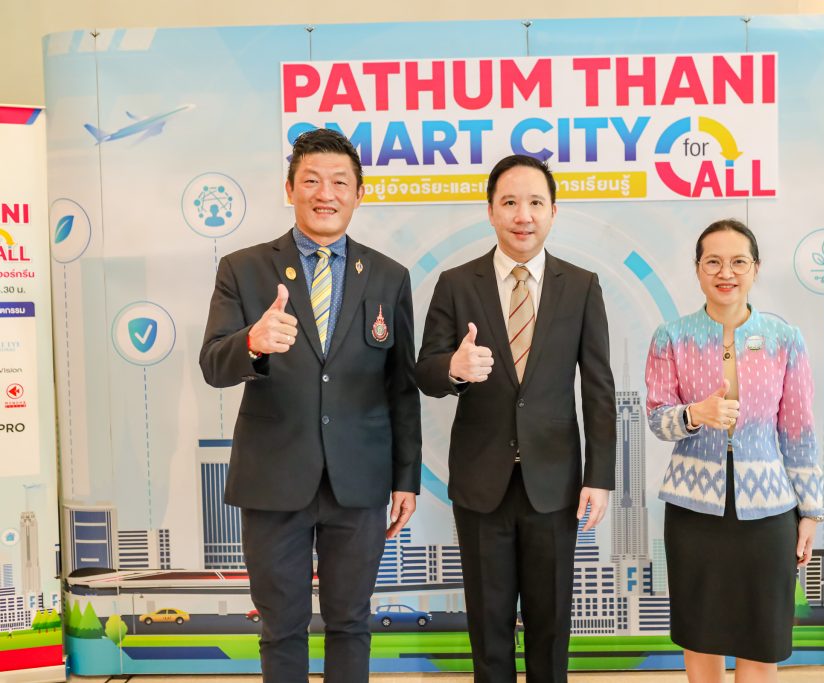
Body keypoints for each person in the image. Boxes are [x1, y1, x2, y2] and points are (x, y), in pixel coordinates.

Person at [199, 128, 421, 682]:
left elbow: (401, 386)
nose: (326, 194)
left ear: (359, 194)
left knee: (351, 622)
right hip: (274, 477)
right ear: (290, 189)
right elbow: (213, 364)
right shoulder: (243, 268)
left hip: (360, 480)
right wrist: (252, 342)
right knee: (281, 627)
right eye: (312, 181)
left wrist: (406, 479)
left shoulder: (389, 276)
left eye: (340, 182)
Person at [415, 154, 616, 683]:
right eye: (509, 202)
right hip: (482, 484)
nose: (522, 215)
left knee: (551, 630)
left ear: (553, 211)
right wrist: (454, 368)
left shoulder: (581, 285)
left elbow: (598, 387)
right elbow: (425, 370)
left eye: (535, 203)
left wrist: (599, 476)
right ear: (490, 211)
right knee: (489, 630)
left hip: (555, 484)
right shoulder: (457, 283)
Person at [644, 219, 824, 683]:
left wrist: (809, 512)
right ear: (698, 269)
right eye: (713, 262)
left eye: (738, 262)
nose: (726, 272)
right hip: (693, 509)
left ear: (756, 268)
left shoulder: (785, 338)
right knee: (700, 634)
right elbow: (658, 419)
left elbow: (799, 431)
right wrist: (695, 414)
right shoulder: (671, 336)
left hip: (769, 510)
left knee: (762, 635)